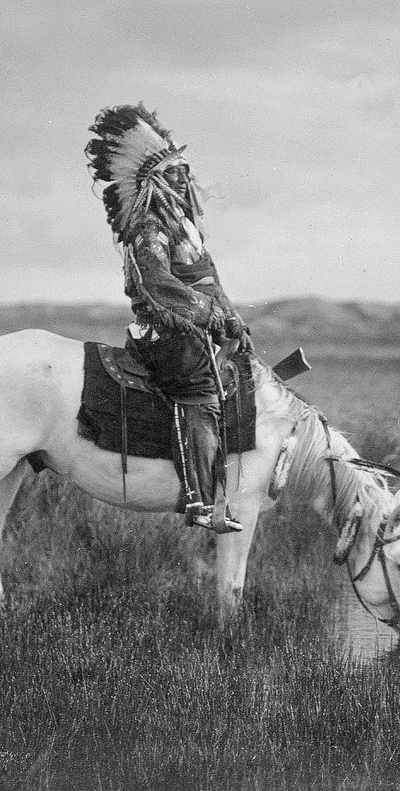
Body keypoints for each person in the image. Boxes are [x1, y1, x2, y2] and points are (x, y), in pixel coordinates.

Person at [85, 103, 250, 533]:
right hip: (167, 333)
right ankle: (200, 500)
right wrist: (210, 314)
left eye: (184, 169)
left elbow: (209, 278)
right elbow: (158, 285)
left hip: (198, 327)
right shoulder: (148, 227)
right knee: (198, 388)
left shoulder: (186, 225)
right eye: (173, 171)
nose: (183, 177)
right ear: (155, 180)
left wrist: (231, 318)